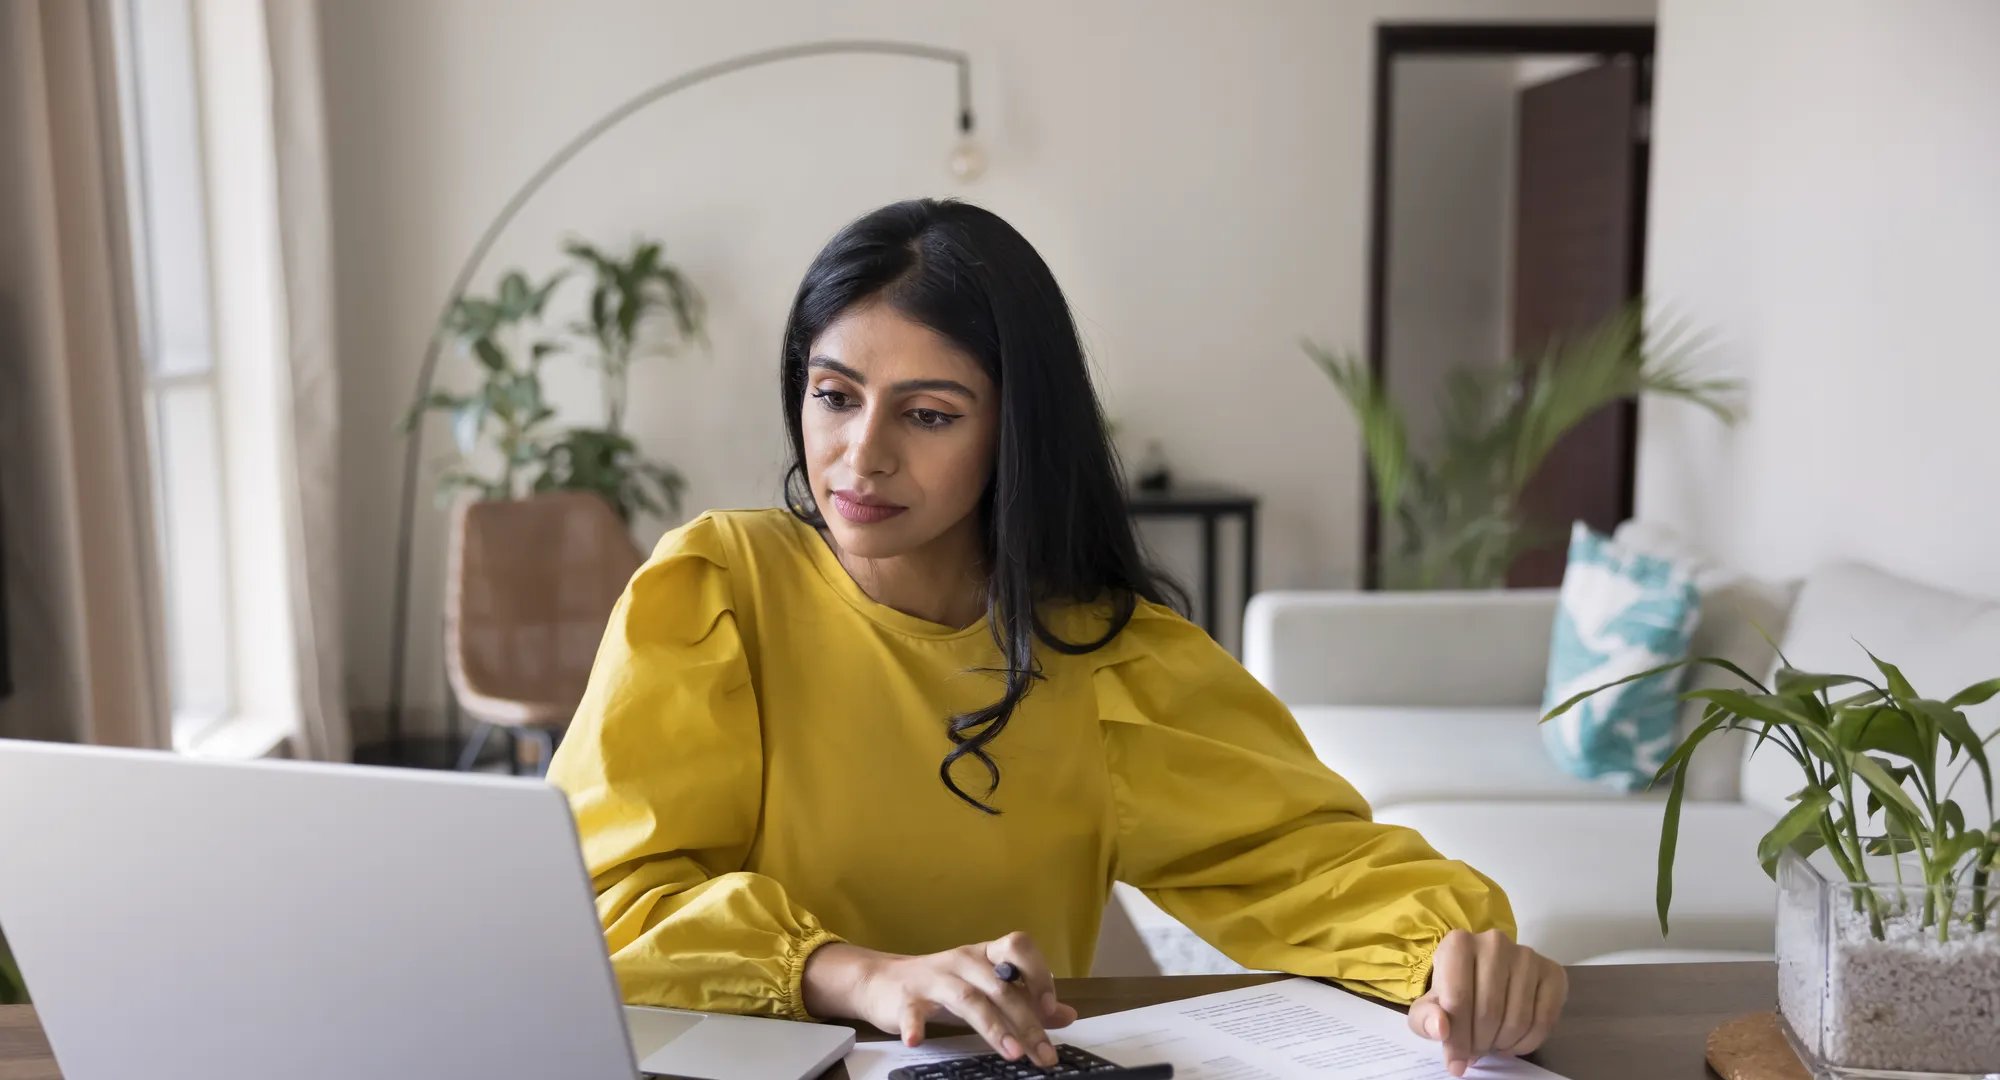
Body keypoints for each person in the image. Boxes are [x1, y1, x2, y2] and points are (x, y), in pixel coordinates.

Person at [548, 198, 1565, 1078]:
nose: (862, 456)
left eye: (929, 415)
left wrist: (1449, 957)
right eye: (834, 396)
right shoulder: (716, 589)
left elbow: (1302, 861)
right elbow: (601, 907)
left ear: (1013, 429)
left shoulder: (1108, 665)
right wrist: (861, 974)